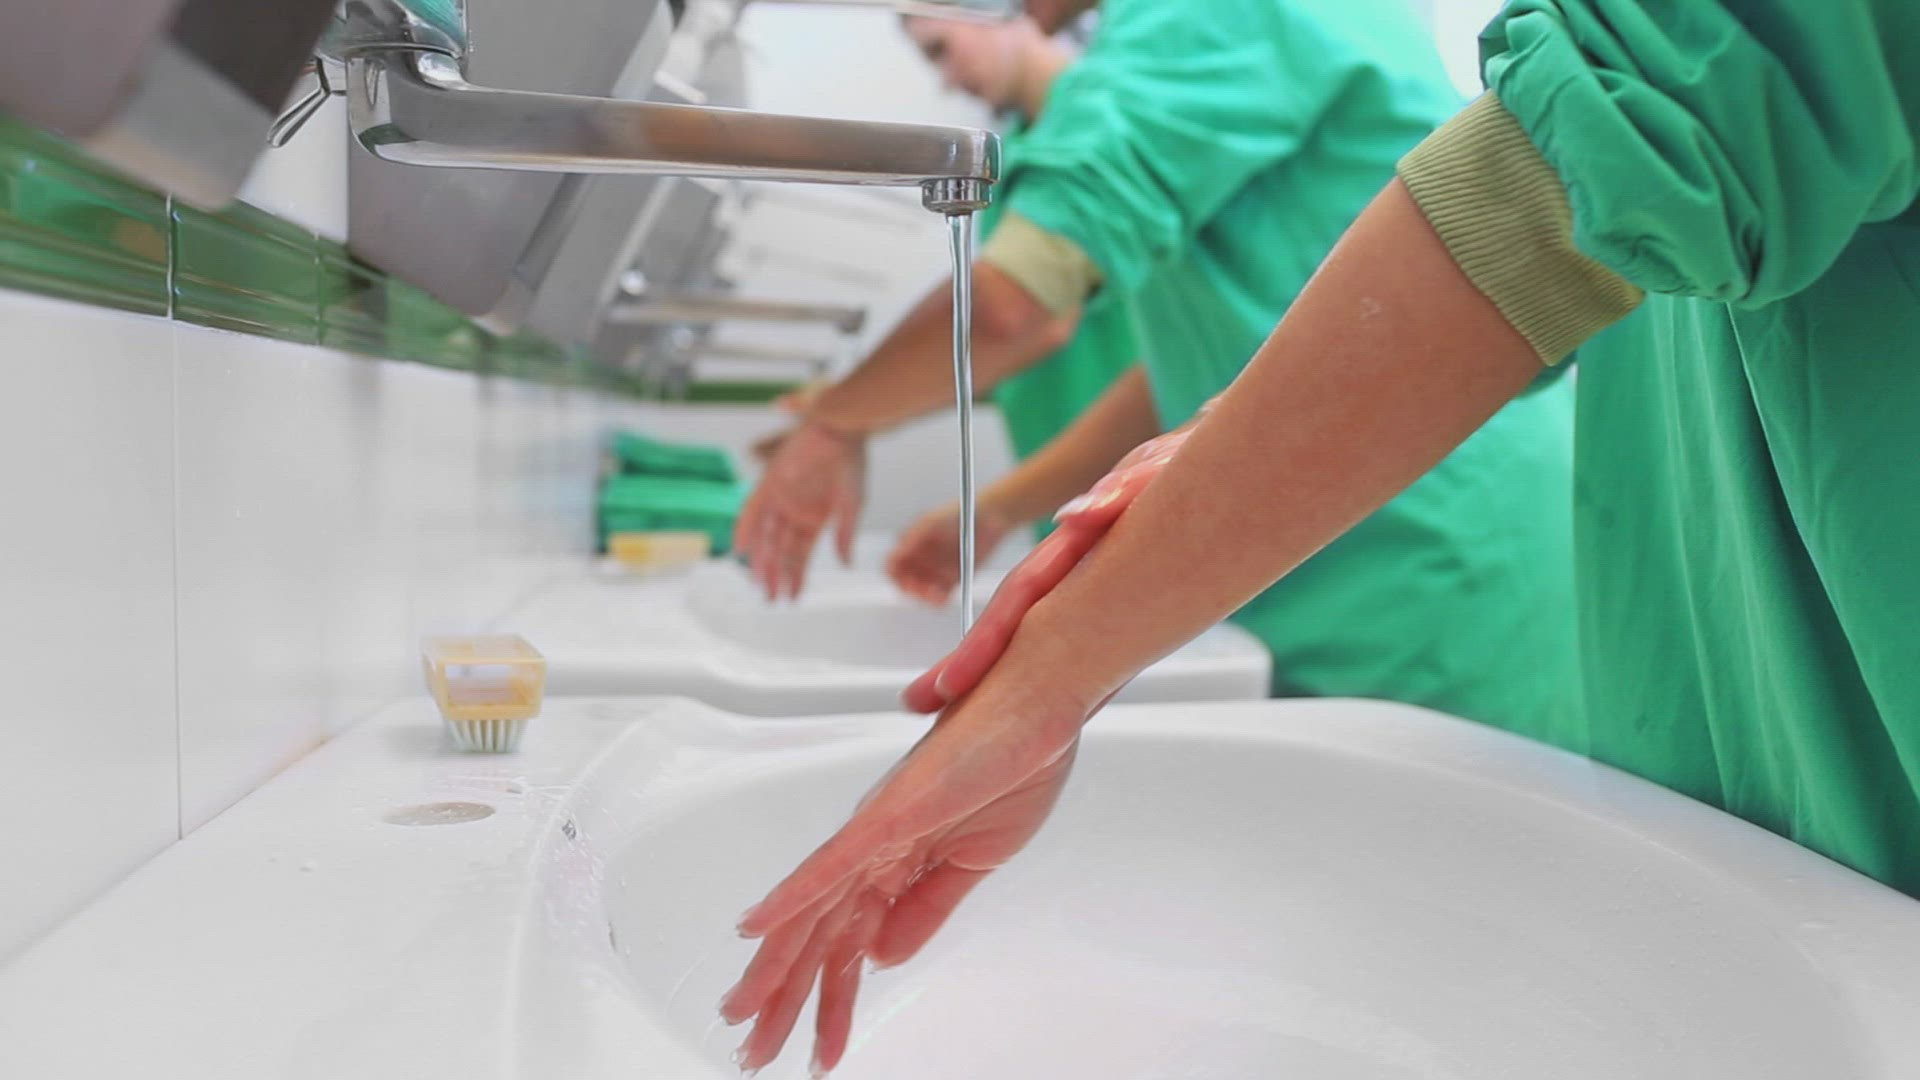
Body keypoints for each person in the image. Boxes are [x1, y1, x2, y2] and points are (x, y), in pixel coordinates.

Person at [723, 0, 1920, 1074]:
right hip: (1599, 579)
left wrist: (1048, 672)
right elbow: (1265, 335)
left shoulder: (1211, 19)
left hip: (1433, 561)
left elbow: (1564, 185)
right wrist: (1150, 490)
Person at [736, 0, 1578, 751]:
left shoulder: (1206, 13)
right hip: (1363, 542)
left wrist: (832, 423)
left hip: (1419, 551)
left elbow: (1015, 306)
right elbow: (1192, 381)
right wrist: (997, 508)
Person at [884, 12, 1140, 585]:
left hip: (1140, 488)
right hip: (1069, 497)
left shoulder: (1107, 120)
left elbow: (1019, 320)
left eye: (941, 49)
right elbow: (1002, 356)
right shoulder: (1015, 157)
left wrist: (838, 421)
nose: (947, 78)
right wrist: (867, 414)